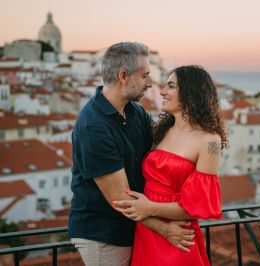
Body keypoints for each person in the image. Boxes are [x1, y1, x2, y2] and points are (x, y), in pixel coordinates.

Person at [68, 42, 195, 266]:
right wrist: (166, 230)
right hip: (103, 234)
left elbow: (163, 148)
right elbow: (121, 199)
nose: (149, 83)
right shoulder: (94, 126)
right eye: (145, 75)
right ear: (124, 76)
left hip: (133, 226)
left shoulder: (134, 111)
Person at [113, 65, 227, 265]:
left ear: (192, 93)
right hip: (148, 230)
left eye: (171, 86)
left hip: (177, 235)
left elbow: (196, 207)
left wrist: (150, 208)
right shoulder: (161, 131)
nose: (163, 91)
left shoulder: (210, 142)